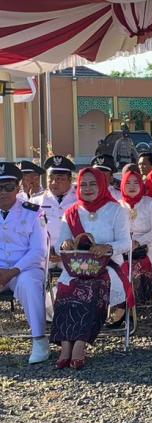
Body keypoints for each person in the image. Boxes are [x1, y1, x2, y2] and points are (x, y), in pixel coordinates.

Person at [52, 168, 132, 369]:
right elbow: (59, 244)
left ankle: (79, 344)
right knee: (65, 286)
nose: (88, 188)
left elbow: (126, 242)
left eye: (93, 183)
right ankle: (65, 344)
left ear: (102, 185)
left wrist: (108, 248)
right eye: (83, 184)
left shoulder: (116, 210)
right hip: (77, 266)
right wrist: (65, 245)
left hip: (108, 266)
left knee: (93, 287)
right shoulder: (71, 213)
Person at [0, 163, 50, 364]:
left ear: (18, 187)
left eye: (8, 187)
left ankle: (39, 340)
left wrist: (11, 272)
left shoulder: (34, 212)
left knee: (29, 284)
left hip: (25, 268)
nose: (2, 192)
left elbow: (39, 250)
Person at [118, 168, 152, 310]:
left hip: (149, 247)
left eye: (135, 183)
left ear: (141, 185)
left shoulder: (150, 203)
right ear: (122, 185)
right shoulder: (117, 205)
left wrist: (138, 242)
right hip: (122, 248)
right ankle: (121, 303)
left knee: (136, 267)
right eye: (128, 183)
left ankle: (128, 304)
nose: (132, 186)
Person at [33, 156, 77, 273]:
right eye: (50, 178)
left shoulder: (79, 200)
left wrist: (65, 250)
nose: (54, 183)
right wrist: (48, 250)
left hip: (72, 252)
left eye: (60, 179)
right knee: (33, 277)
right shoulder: (36, 202)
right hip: (44, 253)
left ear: (70, 179)